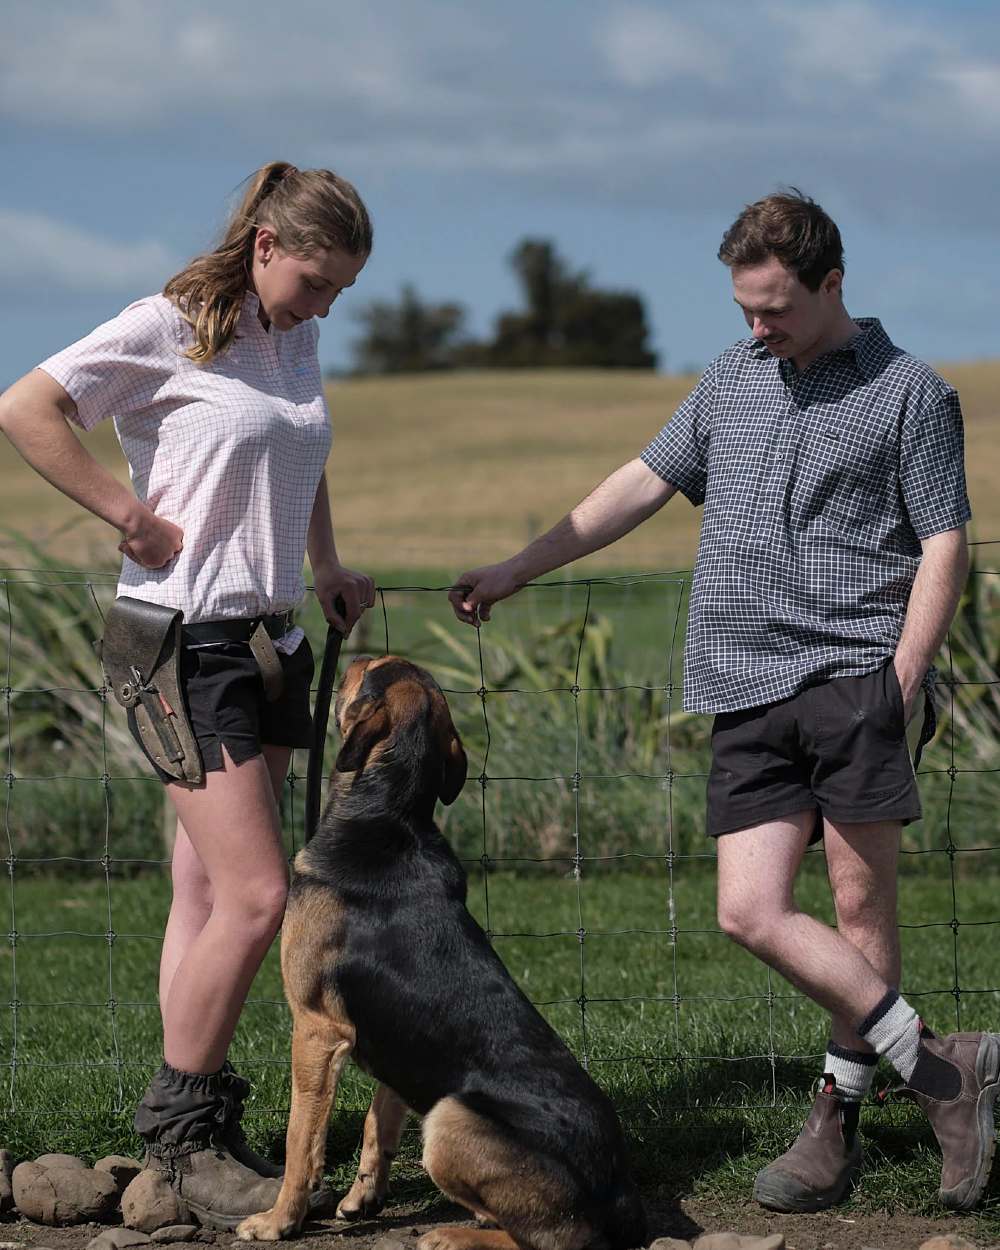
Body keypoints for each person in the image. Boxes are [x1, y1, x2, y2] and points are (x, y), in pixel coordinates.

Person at [448, 190, 996, 1214]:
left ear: (832, 283)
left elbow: (942, 542)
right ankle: (944, 1071)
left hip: (854, 676)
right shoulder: (728, 380)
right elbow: (639, 484)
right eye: (744, 307)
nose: (756, 328)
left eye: (774, 308)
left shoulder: (910, 392)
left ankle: (833, 1129)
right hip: (742, 681)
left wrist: (904, 675)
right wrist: (523, 564)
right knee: (747, 910)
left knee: (857, 907)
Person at [0, 161, 375, 1228]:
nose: (324, 305)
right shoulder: (168, 326)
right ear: (265, 245)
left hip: (269, 638)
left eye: (340, 290)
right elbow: (25, 407)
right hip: (179, 643)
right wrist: (125, 510)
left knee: (208, 896)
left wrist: (330, 562)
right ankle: (184, 1131)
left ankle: (185, 1132)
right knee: (260, 897)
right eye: (315, 280)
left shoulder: (291, 337)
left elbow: (295, 454)